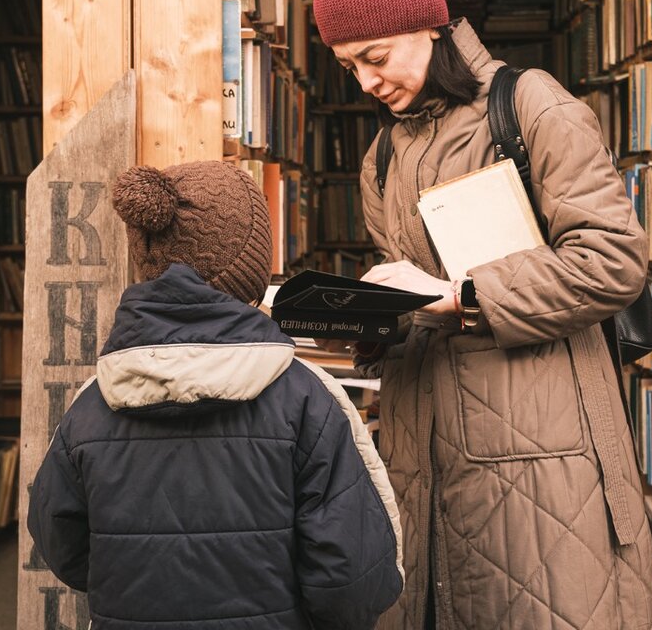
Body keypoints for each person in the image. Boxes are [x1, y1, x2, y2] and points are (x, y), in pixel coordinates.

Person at [311, 0, 652, 629]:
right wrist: (369, 326)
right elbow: (421, 310)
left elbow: (612, 259)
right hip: (426, 467)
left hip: (545, 464)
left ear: (431, 25)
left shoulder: (531, 106)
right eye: (349, 68)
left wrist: (458, 296)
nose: (367, 83)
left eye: (375, 57)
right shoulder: (380, 160)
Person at [27, 161, 404, 630]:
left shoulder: (94, 400)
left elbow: (59, 541)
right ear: (250, 273)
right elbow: (355, 574)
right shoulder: (307, 396)